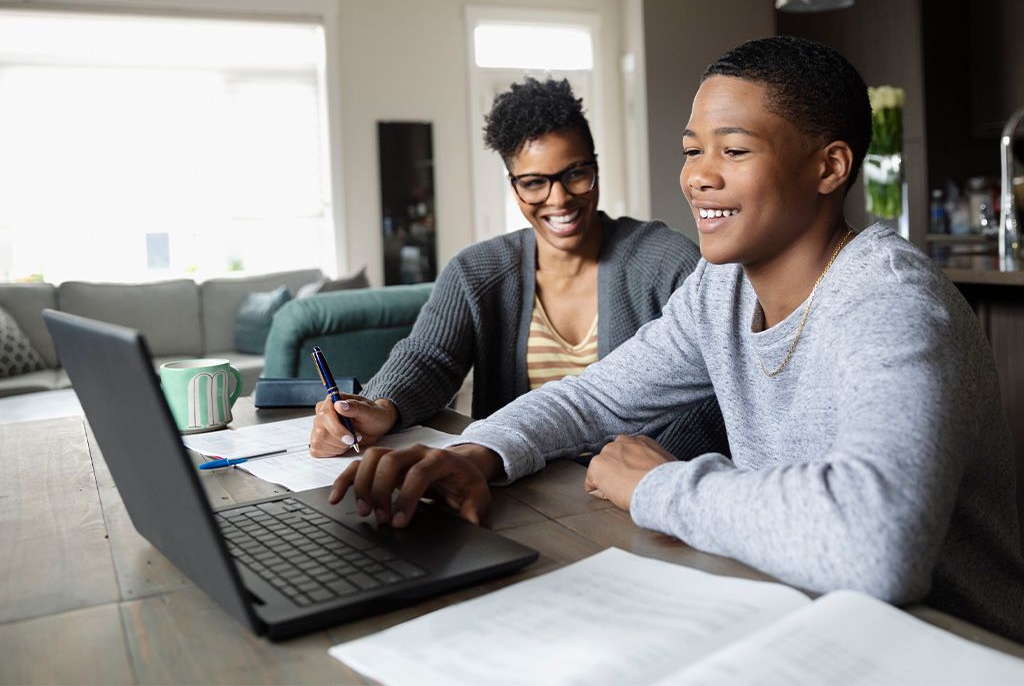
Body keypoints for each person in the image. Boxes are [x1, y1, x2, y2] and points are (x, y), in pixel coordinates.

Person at [326, 36, 1024, 643]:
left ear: (829, 167)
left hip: (952, 647)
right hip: (806, 614)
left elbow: (876, 545)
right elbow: (592, 398)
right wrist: (480, 454)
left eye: (735, 149)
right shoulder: (722, 290)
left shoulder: (888, 302)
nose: (698, 176)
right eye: (692, 150)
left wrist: (659, 485)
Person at [310, 76, 725, 461]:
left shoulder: (668, 260)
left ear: (595, 167)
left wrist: (646, 469)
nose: (559, 199)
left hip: (631, 491)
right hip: (509, 479)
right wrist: (383, 406)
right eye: (533, 182)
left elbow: (714, 391)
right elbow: (429, 357)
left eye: (576, 173)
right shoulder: (477, 271)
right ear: (513, 185)